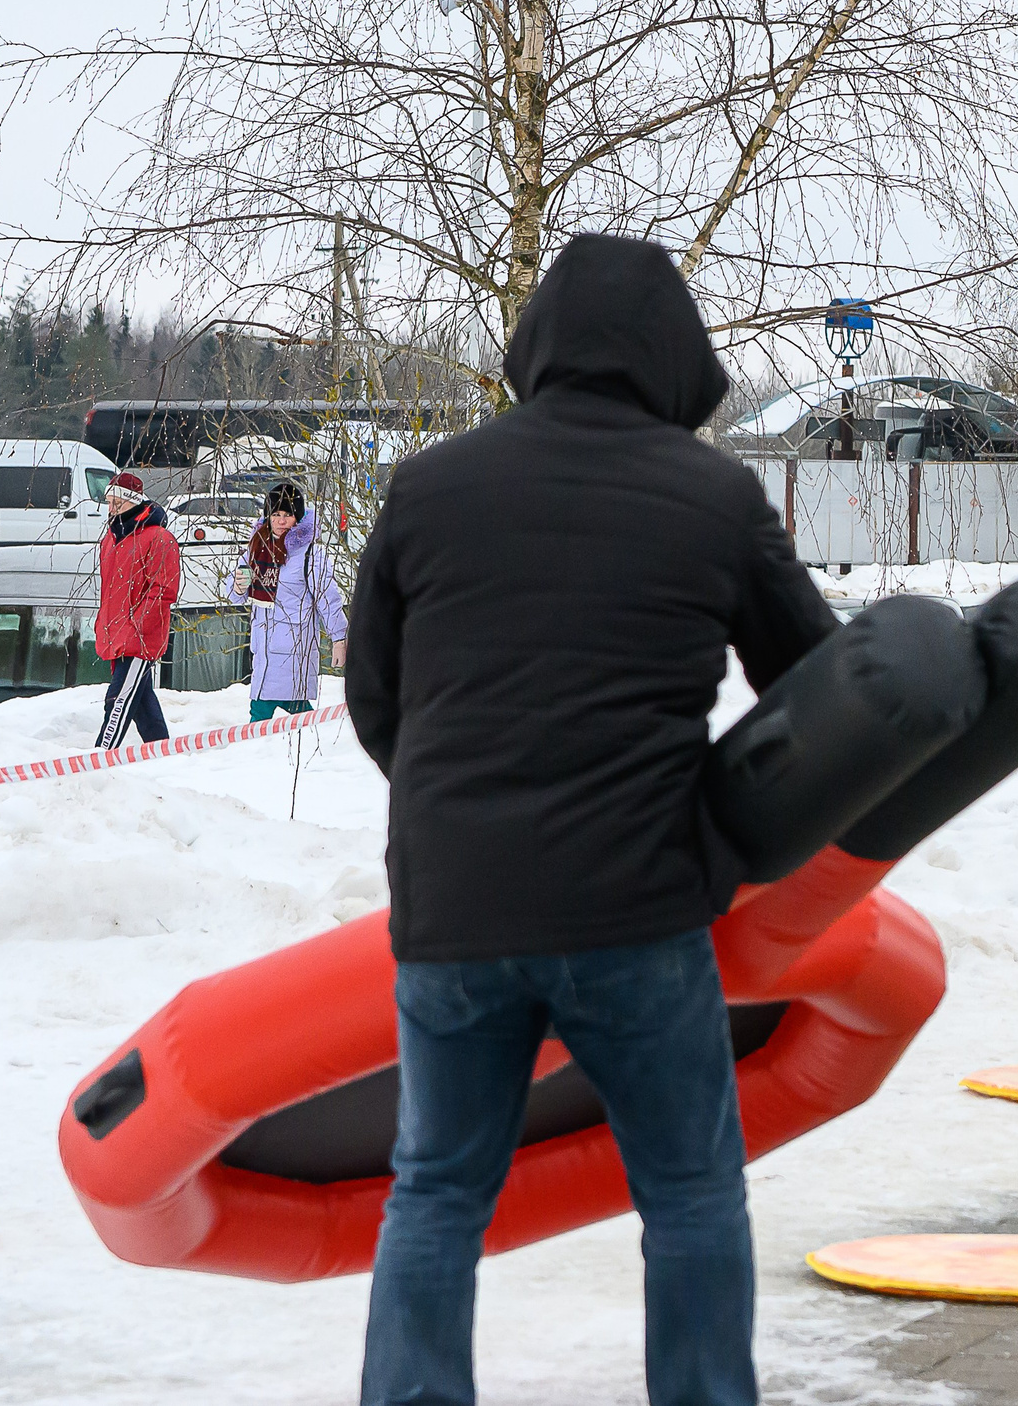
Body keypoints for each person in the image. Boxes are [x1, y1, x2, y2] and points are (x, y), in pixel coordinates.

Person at [347, 234, 834, 1406]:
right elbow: (816, 688)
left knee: (436, 1191)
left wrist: (459, 815)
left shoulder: (427, 487)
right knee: (689, 1190)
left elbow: (374, 700)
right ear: (677, 357)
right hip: (638, 904)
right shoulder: (714, 494)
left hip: (453, 909)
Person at [232, 480, 349, 725]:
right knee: (268, 713)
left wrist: (339, 638)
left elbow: (327, 599)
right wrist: (237, 586)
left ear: (298, 517)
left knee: (291, 714)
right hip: (263, 649)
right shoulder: (256, 547)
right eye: (276, 514)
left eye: (287, 514)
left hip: (294, 650)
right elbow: (235, 595)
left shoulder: (309, 554)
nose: (281, 520)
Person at [93, 471, 181, 750]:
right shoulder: (110, 539)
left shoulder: (160, 538)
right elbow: (108, 589)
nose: (112, 508)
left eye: (117, 502)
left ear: (134, 502)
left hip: (138, 638)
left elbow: (162, 591)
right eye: (109, 502)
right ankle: (163, 754)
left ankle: (99, 757)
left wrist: (136, 627)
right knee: (143, 705)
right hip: (114, 632)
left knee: (117, 701)